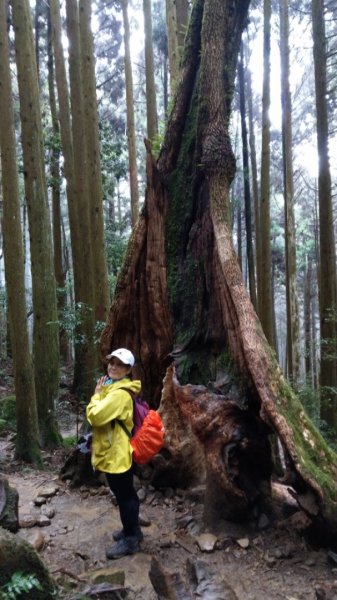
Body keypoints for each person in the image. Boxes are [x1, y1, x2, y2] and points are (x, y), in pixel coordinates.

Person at [86, 347, 142, 559]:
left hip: (117, 453)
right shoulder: (113, 388)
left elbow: (96, 416)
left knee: (125, 495)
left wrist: (96, 396)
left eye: (119, 364)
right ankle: (133, 531)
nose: (113, 367)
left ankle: (131, 540)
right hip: (113, 451)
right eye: (112, 362)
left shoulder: (118, 394)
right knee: (123, 493)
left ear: (128, 369)